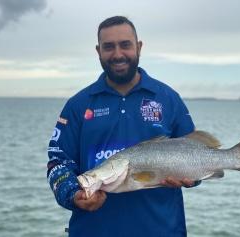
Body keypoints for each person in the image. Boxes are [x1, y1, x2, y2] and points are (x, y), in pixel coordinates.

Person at [47, 16, 200, 237]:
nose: (118, 54)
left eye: (125, 45)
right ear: (98, 51)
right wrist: (73, 195)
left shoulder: (168, 98)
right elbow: (57, 162)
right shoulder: (77, 105)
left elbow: (196, 154)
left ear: (138, 47)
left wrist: (192, 178)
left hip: (163, 230)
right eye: (109, 47)